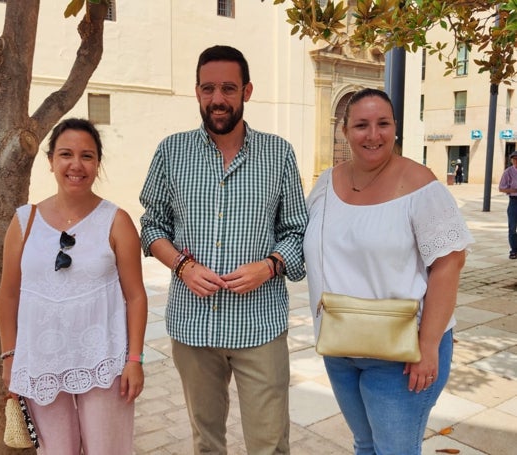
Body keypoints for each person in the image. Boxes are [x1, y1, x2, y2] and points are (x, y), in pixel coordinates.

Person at [139, 45, 308, 454]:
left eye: (228, 88)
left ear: (247, 92)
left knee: (269, 442)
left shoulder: (279, 154)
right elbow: (151, 226)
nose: (218, 99)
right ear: (197, 92)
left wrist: (269, 266)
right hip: (194, 326)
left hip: (260, 327)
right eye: (209, 88)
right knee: (206, 442)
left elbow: (298, 231)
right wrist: (181, 265)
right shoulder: (171, 152)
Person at [303, 88, 474, 455]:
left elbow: (449, 263)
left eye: (383, 124)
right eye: (362, 125)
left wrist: (427, 346)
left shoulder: (420, 185)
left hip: (401, 353)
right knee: (365, 445)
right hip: (340, 346)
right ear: (344, 130)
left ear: (395, 128)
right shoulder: (325, 184)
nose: (373, 134)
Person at [0, 118, 148, 454]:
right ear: (50, 160)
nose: (76, 165)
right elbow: (8, 294)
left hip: (103, 361)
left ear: (98, 164)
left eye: (87, 156)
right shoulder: (25, 221)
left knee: (107, 449)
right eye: (66, 154)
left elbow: (136, 296)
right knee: (56, 451)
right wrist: (10, 356)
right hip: (40, 361)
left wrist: (134, 359)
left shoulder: (117, 221)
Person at [498, 150, 517, 259]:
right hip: (514, 201)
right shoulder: (508, 172)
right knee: (512, 227)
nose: (515, 161)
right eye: (514, 159)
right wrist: (513, 189)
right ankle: (514, 250)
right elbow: (501, 188)